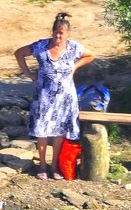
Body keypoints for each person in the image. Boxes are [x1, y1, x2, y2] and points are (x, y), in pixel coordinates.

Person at [15, 12, 95, 181]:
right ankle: (42, 166)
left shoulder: (74, 48)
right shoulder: (41, 46)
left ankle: (55, 167)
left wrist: (75, 67)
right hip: (44, 97)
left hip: (65, 98)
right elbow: (19, 53)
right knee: (42, 132)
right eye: (56, 32)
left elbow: (91, 55)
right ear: (52, 32)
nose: (58, 35)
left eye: (62, 32)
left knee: (60, 132)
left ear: (68, 33)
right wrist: (29, 74)